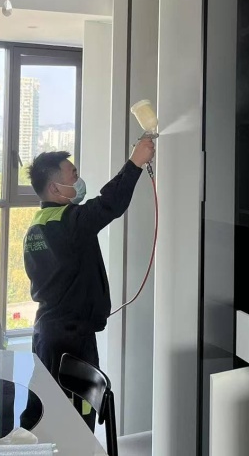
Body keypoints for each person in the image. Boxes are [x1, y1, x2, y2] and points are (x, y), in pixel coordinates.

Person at [23, 139, 155, 429]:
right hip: (70, 340)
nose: (78, 180)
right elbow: (109, 204)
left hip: (47, 333)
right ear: (55, 188)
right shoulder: (67, 223)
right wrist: (135, 163)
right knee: (74, 421)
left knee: (44, 413)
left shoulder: (37, 226)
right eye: (73, 175)